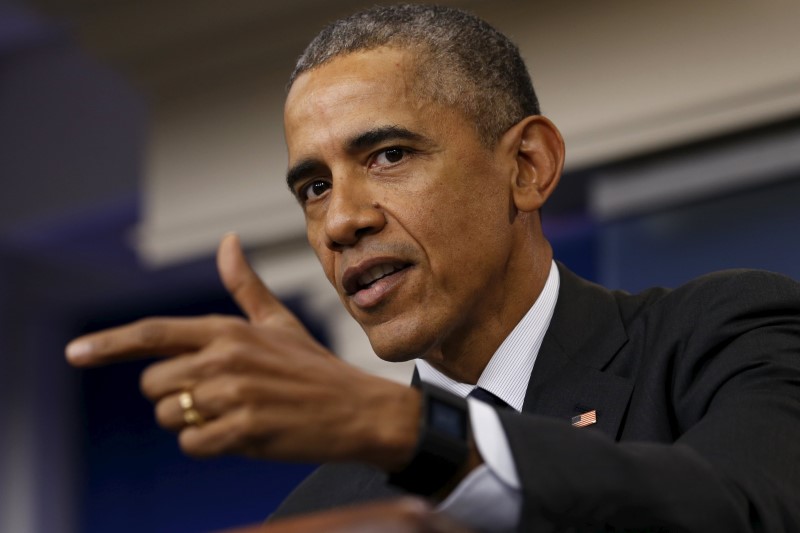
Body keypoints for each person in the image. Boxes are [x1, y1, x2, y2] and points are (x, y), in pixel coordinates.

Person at [65, 4, 800, 532]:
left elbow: (742, 511)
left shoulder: (723, 332)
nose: (342, 219)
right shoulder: (322, 514)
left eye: (388, 155)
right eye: (314, 187)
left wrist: (406, 426)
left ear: (527, 165)